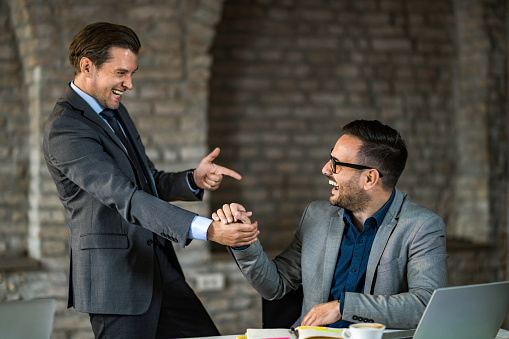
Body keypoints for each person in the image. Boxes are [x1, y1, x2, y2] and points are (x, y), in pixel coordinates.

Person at [43, 22, 259, 339]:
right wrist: (210, 230)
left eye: (132, 73)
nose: (129, 84)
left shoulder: (115, 111)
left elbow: (148, 181)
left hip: (159, 267)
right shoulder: (65, 129)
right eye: (121, 73)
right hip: (116, 280)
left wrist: (193, 179)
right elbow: (126, 198)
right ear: (87, 66)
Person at [213, 119, 448, 329]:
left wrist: (343, 307)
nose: (326, 169)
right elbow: (276, 284)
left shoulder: (422, 226)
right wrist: (243, 240)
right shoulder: (316, 215)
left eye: (337, 163)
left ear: (369, 178)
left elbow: (424, 304)